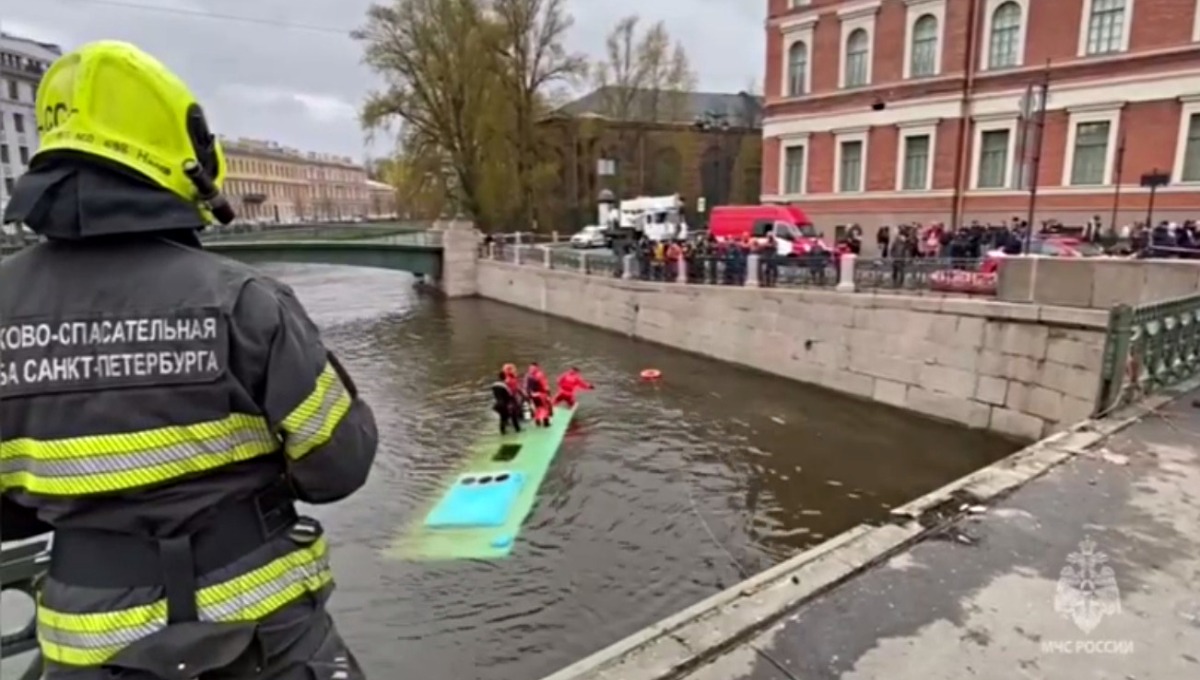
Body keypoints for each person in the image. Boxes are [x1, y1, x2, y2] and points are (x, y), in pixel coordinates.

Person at [0, 41, 376, 680]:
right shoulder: (243, 301)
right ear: (185, 154)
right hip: (263, 635)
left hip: (85, 643)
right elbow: (339, 465)